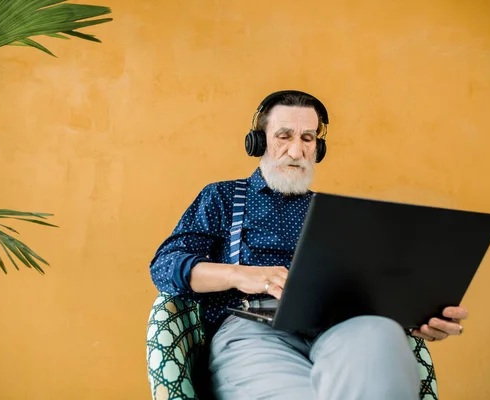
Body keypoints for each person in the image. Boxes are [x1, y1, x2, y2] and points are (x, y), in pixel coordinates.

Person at [149, 90, 468, 399]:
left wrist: (418, 317)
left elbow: (372, 289)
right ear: (259, 142)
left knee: (383, 341)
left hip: (339, 328)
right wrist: (240, 274)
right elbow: (165, 267)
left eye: (307, 138)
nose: (296, 150)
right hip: (255, 328)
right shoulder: (223, 197)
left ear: (318, 147)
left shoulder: (341, 214)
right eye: (284, 136)